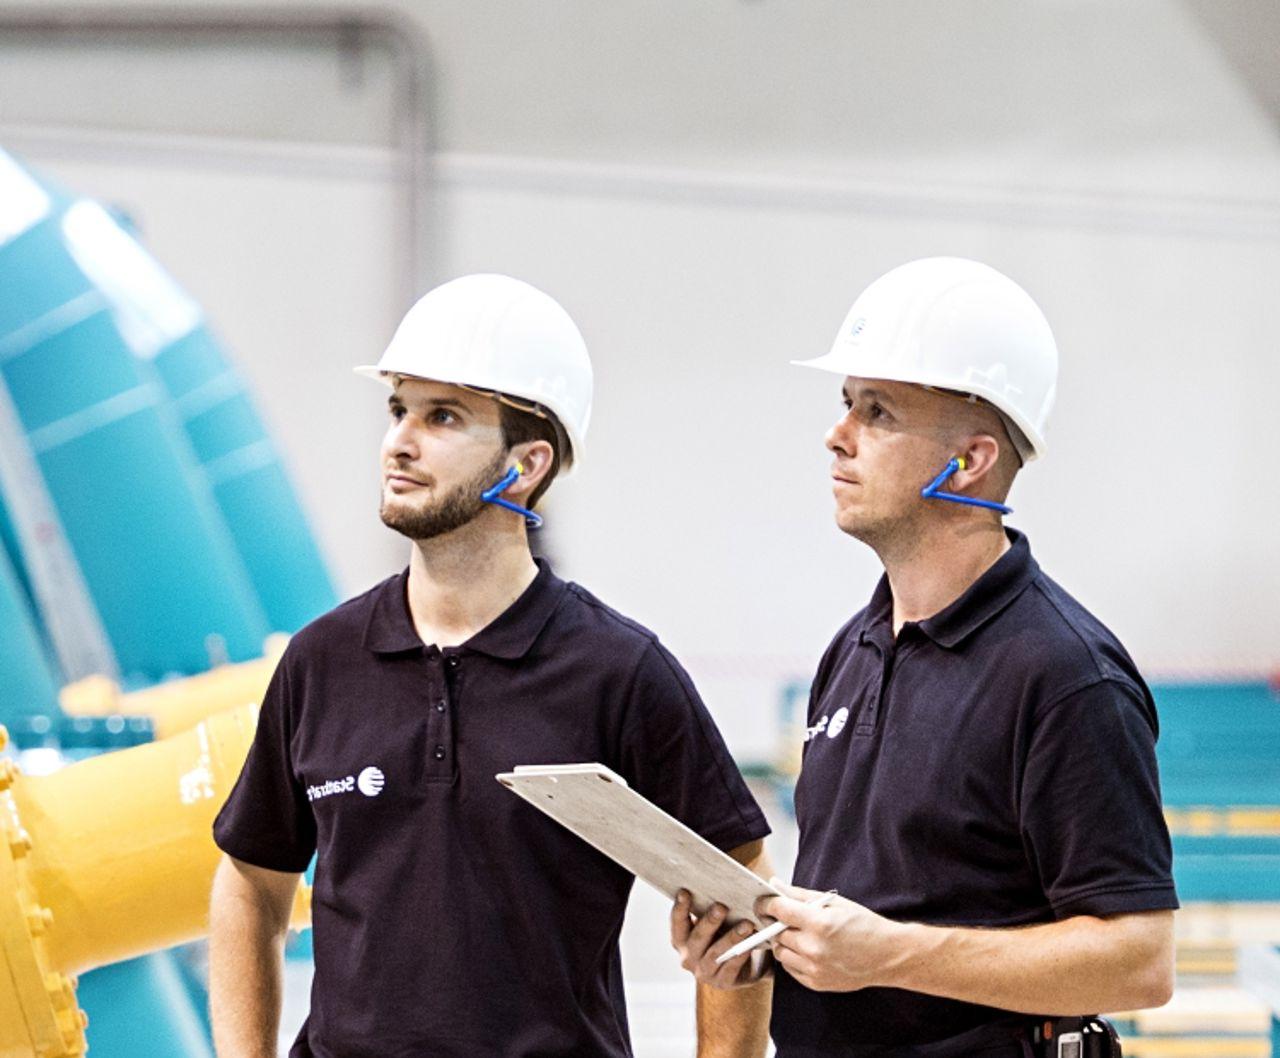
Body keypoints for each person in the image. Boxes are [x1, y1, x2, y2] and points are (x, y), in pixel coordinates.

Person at [209, 273, 773, 1058]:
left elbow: (741, 899)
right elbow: (250, 883)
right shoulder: (322, 662)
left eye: (443, 417)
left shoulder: (619, 672)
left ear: (527, 463)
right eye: (399, 409)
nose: (399, 442)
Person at [672, 258, 1177, 1056]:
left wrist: (887, 954)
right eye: (846, 404)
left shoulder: (1065, 675)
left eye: (877, 412)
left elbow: (1139, 961)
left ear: (970, 461)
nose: (836, 436)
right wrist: (767, 953)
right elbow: (861, 920)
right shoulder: (853, 651)